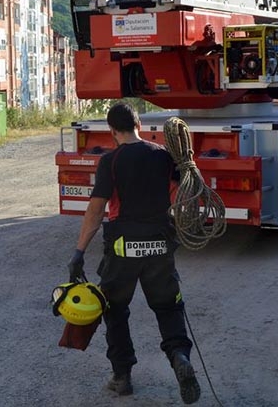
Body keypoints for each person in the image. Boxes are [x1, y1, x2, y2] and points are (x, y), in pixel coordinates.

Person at [67, 103, 201, 404]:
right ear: (139, 124)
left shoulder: (110, 162)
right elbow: (185, 190)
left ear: (112, 131)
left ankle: (122, 377)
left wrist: (79, 252)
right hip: (159, 244)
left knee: (115, 311)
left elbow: (96, 209)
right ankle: (180, 356)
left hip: (122, 247)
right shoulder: (164, 156)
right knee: (168, 308)